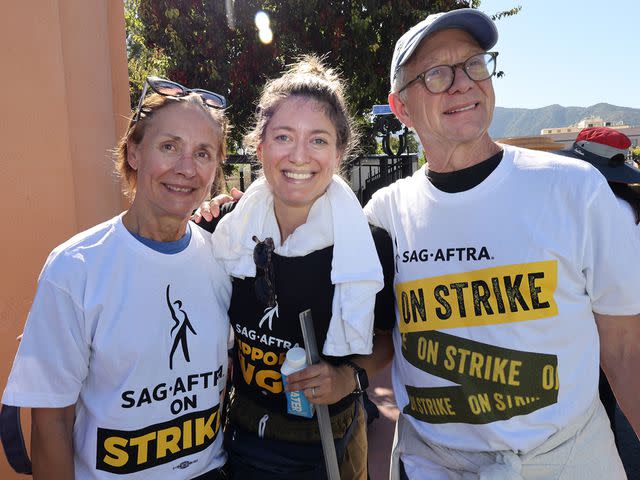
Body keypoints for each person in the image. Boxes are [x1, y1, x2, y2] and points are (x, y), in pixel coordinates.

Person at [363, 8, 640, 480]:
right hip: (434, 465)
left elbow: (625, 349)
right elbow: (378, 353)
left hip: (566, 462)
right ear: (402, 107)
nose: (464, 83)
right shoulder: (384, 215)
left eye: (474, 64)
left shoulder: (575, 190)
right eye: (435, 74)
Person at [2, 77, 232, 479]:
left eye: (203, 153)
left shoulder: (224, 259)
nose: (186, 168)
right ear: (134, 153)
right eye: (169, 146)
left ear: (215, 168)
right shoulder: (76, 268)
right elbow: (50, 423)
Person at [195, 56, 396, 479]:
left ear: (340, 153)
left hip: (329, 445)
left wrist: (347, 379)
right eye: (284, 136)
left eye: (319, 140)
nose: (299, 156)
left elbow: (384, 343)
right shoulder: (225, 232)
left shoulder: (368, 247)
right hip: (240, 441)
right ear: (260, 146)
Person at [553, 126, 640, 454]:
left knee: (597, 411)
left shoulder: (598, 211)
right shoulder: (629, 208)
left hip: (596, 324)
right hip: (625, 317)